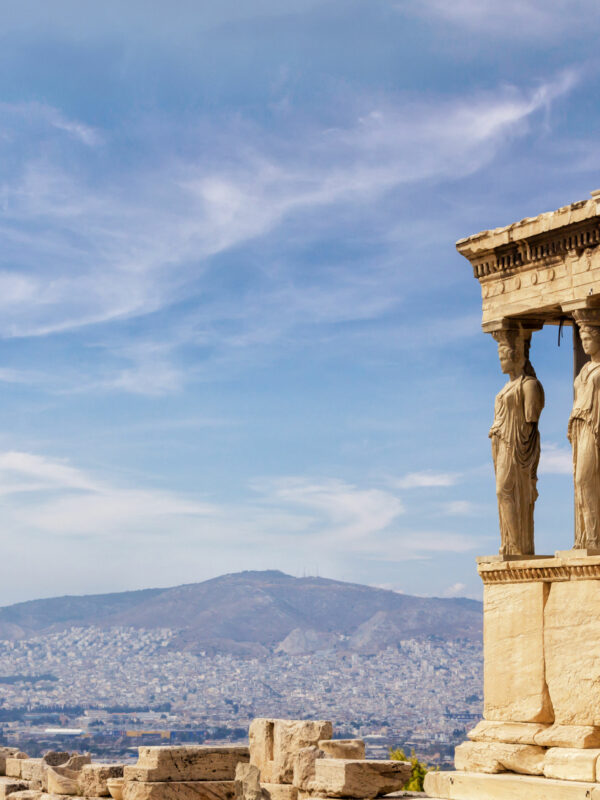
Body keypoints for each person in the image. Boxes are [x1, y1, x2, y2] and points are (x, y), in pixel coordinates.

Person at [489, 328, 545, 555]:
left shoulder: (529, 385)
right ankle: (511, 544)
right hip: (501, 444)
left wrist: (526, 459)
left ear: (515, 357)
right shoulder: (505, 388)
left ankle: (518, 546)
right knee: (501, 492)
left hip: (516, 446)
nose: (501, 362)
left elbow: (531, 423)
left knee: (505, 490)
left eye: (503, 357)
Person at [568, 312, 600, 549]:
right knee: (580, 481)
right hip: (579, 426)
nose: (584, 342)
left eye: (588, 337)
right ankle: (587, 539)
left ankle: (593, 539)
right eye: (582, 338)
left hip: (593, 425)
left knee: (585, 479)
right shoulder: (584, 370)